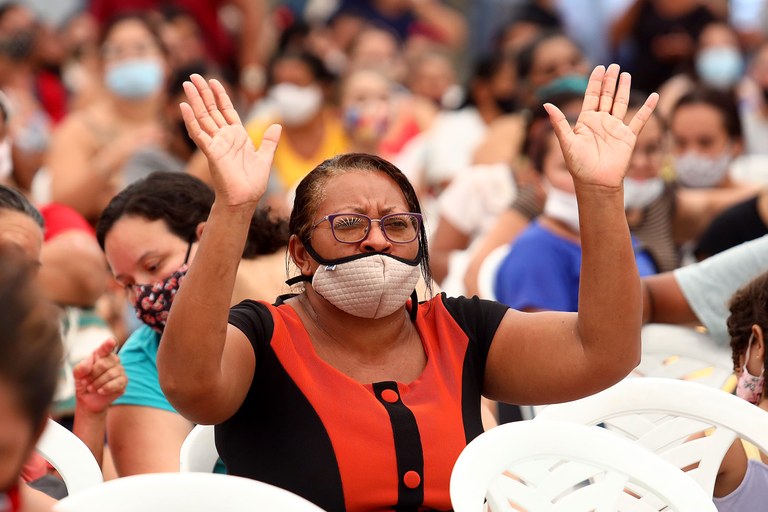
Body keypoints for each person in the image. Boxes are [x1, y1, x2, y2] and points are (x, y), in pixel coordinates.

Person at [157, 64, 658, 510]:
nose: (377, 239)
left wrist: (599, 194)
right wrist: (233, 208)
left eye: (398, 225)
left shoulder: (459, 330)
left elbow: (605, 352)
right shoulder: (263, 337)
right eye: (349, 224)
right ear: (301, 254)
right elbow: (190, 386)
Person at [95, 171, 288, 476]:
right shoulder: (142, 364)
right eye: (128, 284)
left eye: (153, 266)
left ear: (208, 237)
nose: (144, 293)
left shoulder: (299, 295)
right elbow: (167, 498)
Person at [46, 13, 168, 223]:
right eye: (117, 52)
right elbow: (61, 204)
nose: (129, 58)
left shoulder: (180, 120)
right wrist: (113, 157)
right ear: (101, 67)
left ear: (166, 60)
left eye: (141, 48)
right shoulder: (78, 128)